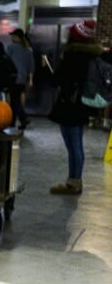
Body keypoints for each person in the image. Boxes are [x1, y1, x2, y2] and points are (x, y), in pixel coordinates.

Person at [48, 19, 104, 195]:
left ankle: (74, 182)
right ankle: (73, 181)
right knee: (76, 144)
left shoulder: (73, 56)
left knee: (73, 146)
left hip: (69, 106)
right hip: (81, 104)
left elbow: (57, 80)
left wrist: (47, 69)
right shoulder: (92, 56)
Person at [6, 27, 34, 129]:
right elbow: (31, 66)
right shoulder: (28, 49)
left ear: (17, 37)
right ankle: (14, 122)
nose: (11, 37)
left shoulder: (11, 47)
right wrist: (31, 79)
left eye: (13, 35)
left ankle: (23, 118)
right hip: (22, 79)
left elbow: (7, 62)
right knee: (16, 100)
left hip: (13, 78)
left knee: (14, 101)